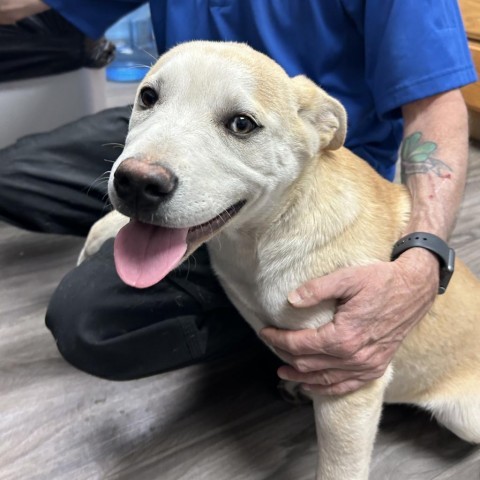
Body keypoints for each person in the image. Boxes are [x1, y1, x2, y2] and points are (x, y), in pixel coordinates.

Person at [0, 0, 476, 394]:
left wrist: (423, 257)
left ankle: (289, 335)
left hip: (294, 177)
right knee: (11, 174)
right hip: (175, 119)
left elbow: (436, 105)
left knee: (89, 320)